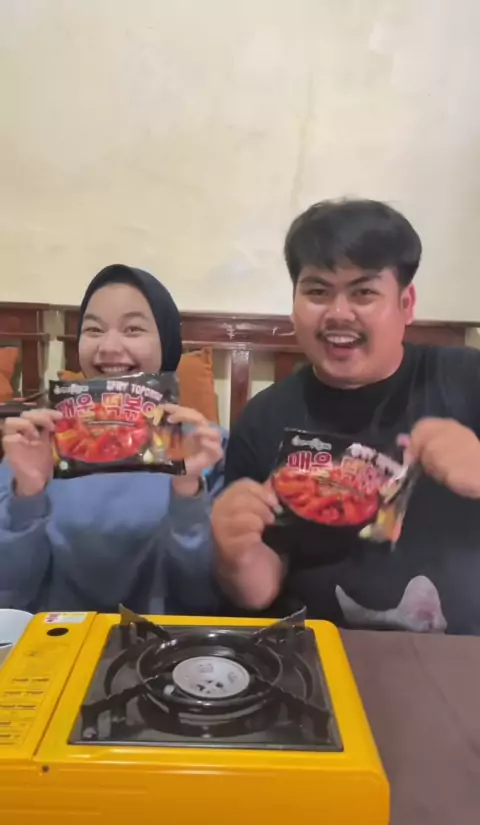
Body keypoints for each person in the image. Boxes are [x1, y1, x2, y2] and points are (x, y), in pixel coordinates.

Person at [212, 198, 480, 635]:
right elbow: (256, 591)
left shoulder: (466, 378)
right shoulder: (264, 417)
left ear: (406, 303)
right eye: (317, 291)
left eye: (363, 292)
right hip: (315, 652)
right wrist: (234, 553)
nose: (338, 313)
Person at [0, 264, 224, 614]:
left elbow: (203, 601)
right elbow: (9, 597)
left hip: (165, 642)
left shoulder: (207, 450)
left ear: (166, 342)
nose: (108, 347)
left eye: (133, 329)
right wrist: (27, 494)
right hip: (57, 639)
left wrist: (187, 491)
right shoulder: (33, 447)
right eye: (93, 329)